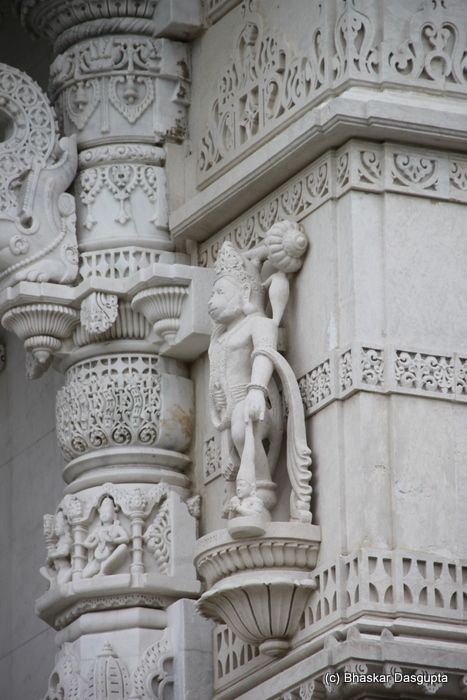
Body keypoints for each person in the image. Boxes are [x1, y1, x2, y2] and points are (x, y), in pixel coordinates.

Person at [82, 496, 129, 578]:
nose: (104, 514)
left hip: (110, 555)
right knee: (84, 575)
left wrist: (113, 540)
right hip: (98, 557)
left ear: (114, 514)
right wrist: (94, 541)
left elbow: (126, 538)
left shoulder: (116, 527)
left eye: (107, 511)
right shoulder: (97, 530)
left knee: (123, 547)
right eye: (102, 512)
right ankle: (101, 568)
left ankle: (104, 570)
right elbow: (86, 543)